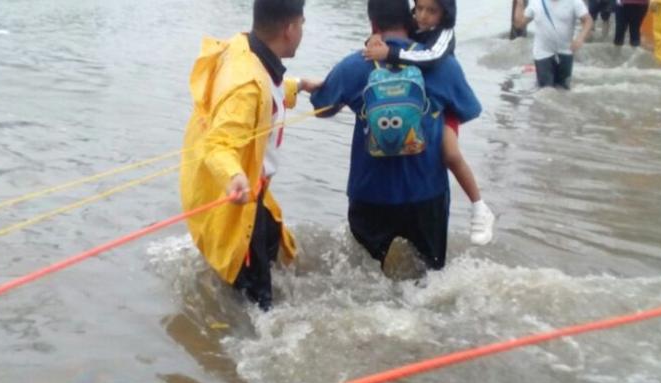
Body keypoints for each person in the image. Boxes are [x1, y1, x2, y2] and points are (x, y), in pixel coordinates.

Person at [310, 0, 482, 271]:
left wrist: (317, 88)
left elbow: (321, 109)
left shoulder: (355, 65)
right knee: (429, 282)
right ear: (410, 20)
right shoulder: (444, 66)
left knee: (365, 283)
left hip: (369, 194)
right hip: (427, 194)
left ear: (374, 25)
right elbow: (468, 109)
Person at [180, 0, 316, 311]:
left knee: (273, 258)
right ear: (290, 28)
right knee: (258, 307)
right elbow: (219, 144)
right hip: (235, 196)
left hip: (252, 193)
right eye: (303, 24)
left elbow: (265, 94)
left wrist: (298, 86)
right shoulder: (246, 84)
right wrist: (234, 176)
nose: (302, 32)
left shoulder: (246, 49)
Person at [363, 0, 496, 246]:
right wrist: (373, 38)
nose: (423, 16)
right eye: (419, 8)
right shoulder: (414, 25)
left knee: (450, 155)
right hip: (415, 101)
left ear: (445, 14)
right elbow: (394, 35)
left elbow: (432, 56)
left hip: (445, 108)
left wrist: (389, 53)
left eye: (431, 11)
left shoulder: (445, 33)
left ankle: (479, 207)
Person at [514, 0, 594, 89]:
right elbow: (519, 24)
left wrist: (580, 38)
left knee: (563, 90)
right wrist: (519, 3)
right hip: (542, 53)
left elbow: (588, 21)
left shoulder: (574, 2)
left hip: (565, 52)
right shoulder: (536, 2)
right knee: (546, 90)